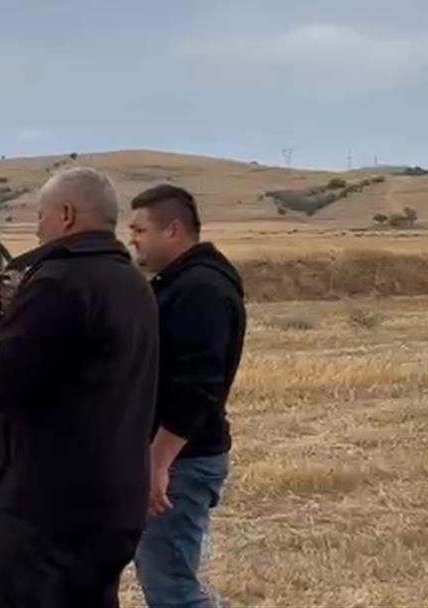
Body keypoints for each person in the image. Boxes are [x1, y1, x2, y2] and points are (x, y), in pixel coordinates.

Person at [0, 167, 159, 608]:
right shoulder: (131, 283)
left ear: (66, 215)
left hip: (48, 507)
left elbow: (6, 372)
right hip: (115, 501)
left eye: (41, 214)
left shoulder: (60, 281)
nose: (37, 226)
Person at [127, 185, 247, 608]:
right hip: (182, 458)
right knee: (170, 578)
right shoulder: (186, 282)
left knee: (171, 590)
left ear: (172, 229)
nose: (133, 238)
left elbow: (199, 387)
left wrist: (158, 463)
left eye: (139, 229)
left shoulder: (200, 289)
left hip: (184, 461)